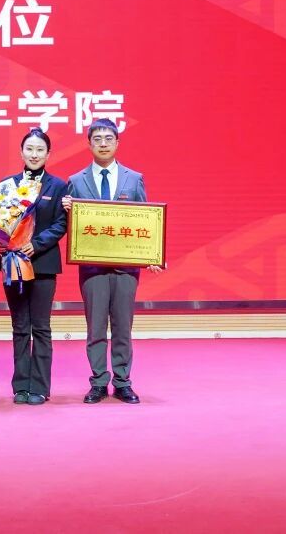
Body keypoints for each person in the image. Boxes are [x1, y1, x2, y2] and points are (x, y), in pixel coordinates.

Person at [62, 118, 160, 404]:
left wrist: (151, 254)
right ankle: (98, 382)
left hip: (126, 268)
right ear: (89, 144)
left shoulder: (134, 178)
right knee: (95, 329)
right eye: (97, 139)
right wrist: (67, 210)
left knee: (122, 328)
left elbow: (146, 219)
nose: (103, 144)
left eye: (108, 138)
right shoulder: (76, 181)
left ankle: (122, 382)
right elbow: (71, 227)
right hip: (92, 268)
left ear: (117, 142)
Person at [0, 128, 68, 405]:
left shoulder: (59, 187)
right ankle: (21, 386)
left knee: (41, 327)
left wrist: (36, 244)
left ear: (48, 154)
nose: (34, 154)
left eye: (40, 150)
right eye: (29, 149)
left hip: (43, 263)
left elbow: (61, 223)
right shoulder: (6, 185)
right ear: (21, 152)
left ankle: (40, 387)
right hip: (13, 262)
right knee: (20, 325)